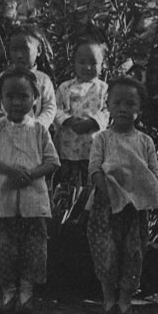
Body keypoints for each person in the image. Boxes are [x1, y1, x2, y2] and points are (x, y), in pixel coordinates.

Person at [0, 67, 61, 314]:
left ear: (35, 98)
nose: (16, 102)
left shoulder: (39, 129)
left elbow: (52, 161)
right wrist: (10, 172)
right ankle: (8, 292)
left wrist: (30, 175)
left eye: (23, 96)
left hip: (33, 201)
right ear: (1, 98)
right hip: (2, 200)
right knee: (3, 248)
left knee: (33, 249)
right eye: (10, 96)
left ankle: (26, 293)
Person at [87, 76, 158, 314]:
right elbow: (95, 168)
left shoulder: (145, 141)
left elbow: (152, 172)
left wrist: (136, 192)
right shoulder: (102, 139)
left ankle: (125, 300)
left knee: (133, 252)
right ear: (107, 105)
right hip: (106, 206)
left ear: (139, 109)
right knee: (106, 251)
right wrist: (109, 191)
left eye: (130, 104)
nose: (123, 109)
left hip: (134, 208)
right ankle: (108, 298)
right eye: (117, 103)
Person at [52, 40, 110, 225]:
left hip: (91, 145)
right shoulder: (65, 87)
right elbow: (55, 109)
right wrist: (68, 120)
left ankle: (85, 217)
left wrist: (92, 122)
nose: (87, 67)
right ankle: (63, 216)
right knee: (68, 182)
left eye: (93, 63)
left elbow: (107, 111)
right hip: (69, 143)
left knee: (89, 182)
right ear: (74, 63)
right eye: (82, 62)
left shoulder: (103, 89)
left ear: (102, 64)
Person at [0, 26, 57, 130]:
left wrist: (37, 125)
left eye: (25, 49)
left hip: (33, 134)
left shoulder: (43, 80)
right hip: (6, 131)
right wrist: (2, 120)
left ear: (39, 50)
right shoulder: (4, 77)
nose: (19, 55)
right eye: (14, 50)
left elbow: (50, 108)